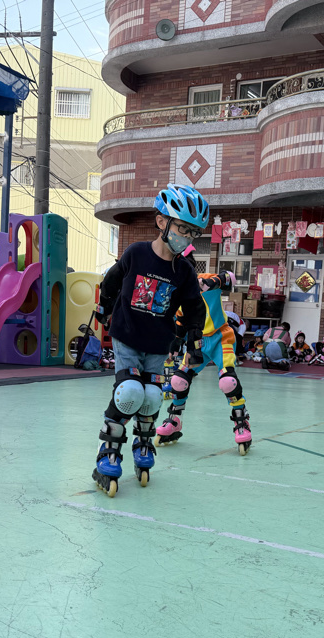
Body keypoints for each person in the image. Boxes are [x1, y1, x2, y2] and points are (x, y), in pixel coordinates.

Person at [91, 183, 208, 496]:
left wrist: (194, 339)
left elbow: (195, 308)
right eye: (182, 228)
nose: (187, 237)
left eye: (193, 232)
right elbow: (112, 279)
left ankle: (143, 443)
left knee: (153, 397)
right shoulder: (137, 253)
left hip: (158, 342)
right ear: (162, 222)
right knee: (129, 392)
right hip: (128, 335)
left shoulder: (184, 270)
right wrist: (104, 307)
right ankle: (108, 450)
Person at [157, 271, 253, 455]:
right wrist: (175, 342)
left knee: (228, 381)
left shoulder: (203, 278)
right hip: (197, 341)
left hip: (221, 337)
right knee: (179, 381)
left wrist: (212, 281)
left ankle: (242, 422)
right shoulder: (177, 292)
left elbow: (230, 277)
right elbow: (180, 321)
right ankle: (175, 420)